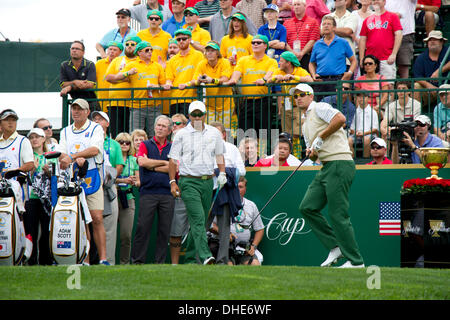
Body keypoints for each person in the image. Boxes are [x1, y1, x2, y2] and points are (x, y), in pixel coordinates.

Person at [292, 83, 365, 268]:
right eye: (296, 95)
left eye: (303, 94)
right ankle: (335, 247)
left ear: (311, 95)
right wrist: (312, 152)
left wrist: (321, 138)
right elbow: (315, 152)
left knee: (338, 214)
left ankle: (356, 262)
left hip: (340, 163)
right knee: (307, 207)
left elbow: (340, 119)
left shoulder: (320, 107)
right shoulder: (304, 123)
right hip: (325, 167)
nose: (299, 97)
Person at [168, 100, 227, 265]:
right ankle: (205, 255)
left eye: (200, 114)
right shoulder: (180, 134)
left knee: (199, 221)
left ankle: (190, 260)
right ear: (189, 116)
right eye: (194, 114)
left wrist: (222, 172)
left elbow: (219, 155)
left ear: (205, 115)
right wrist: (173, 182)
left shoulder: (214, 133)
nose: (197, 117)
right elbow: (173, 161)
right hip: (188, 181)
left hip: (208, 182)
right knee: (198, 218)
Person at [57, 98, 109, 265]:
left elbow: (95, 149)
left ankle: (102, 259)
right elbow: (61, 152)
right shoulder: (65, 131)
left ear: (87, 112)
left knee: (96, 217)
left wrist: (73, 157)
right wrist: (66, 158)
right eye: (74, 109)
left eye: (80, 109)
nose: (76, 112)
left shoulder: (95, 128)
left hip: (92, 175)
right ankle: (84, 259)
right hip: (72, 179)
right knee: (81, 219)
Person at [132, 115, 175, 264]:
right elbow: (142, 162)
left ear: (169, 130)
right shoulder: (145, 144)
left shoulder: (172, 147)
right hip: (148, 192)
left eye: (164, 126)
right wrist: (165, 163)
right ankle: (137, 262)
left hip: (167, 193)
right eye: (158, 125)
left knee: (164, 231)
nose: (160, 128)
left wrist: (153, 165)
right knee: (142, 229)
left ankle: (160, 263)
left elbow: (175, 169)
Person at [224, 34, 278, 135]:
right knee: (244, 133)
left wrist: (264, 80)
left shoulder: (271, 61)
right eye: (253, 42)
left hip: (263, 102)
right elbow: (237, 72)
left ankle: (262, 151)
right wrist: (233, 80)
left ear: (265, 45)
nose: (255, 44)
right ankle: (245, 151)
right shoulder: (243, 60)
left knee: (263, 134)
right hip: (246, 102)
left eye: (258, 42)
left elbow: (270, 73)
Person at [108, 41, 166, 134]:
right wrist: (128, 73)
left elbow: (164, 85)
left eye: (151, 50)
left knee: (154, 135)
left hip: (155, 105)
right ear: (139, 52)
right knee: (135, 135)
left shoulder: (157, 66)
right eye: (147, 50)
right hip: (137, 106)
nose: (150, 52)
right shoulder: (132, 65)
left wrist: (156, 86)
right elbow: (116, 77)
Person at [208, 121, 246, 264]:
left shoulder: (232, 148)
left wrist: (222, 172)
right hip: (207, 190)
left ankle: (222, 260)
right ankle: (198, 258)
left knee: (224, 228)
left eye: (218, 133)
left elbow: (242, 171)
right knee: (203, 224)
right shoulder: (204, 148)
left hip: (225, 190)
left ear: (223, 134)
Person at [92, 111, 124, 265]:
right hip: (91, 187)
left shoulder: (114, 144)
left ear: (107, 123)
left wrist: (108, 180)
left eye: (101, 119)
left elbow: (119, 166)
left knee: (110, 227)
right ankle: (89, 261)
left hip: (109, 188)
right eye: (95, 119)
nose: (97, 121)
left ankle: (108, 262)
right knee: (91, 224)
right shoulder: (89, 141)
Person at [271, 51, 313, 158]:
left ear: (288, 63)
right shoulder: (279, 71)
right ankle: (289, 158)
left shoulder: (299, 71)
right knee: (287, 135)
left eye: (281, 61)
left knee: (296, 134)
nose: (279, 62)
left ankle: (297, 157)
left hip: (298, 107)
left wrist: (294, 78)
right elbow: (269, 80)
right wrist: (277, 78)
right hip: (286, 107)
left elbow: (310, 79)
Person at [190, 41, 235, 131]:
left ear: (217, 53)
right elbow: (193, 81)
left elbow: (225, 78)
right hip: (210, 105)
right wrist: (198, 81)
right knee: (210, 131)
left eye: (212, 50)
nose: (209, 53)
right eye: (207, 51)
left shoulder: (225, 62)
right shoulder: (202, 64)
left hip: (225, 104)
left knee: (225, 131)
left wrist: (212, 80)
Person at [24, 128, 54, 265]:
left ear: (43, 139)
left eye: (37, 137)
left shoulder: (51, 156)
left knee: (47, 232)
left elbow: (55, 178)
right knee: (31, 231)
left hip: (46, 200)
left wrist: (49, 172)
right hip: (31, 199)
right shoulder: (26, 157)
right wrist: (33, 170)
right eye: (32, 137)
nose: (34, 140)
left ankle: (46, 261)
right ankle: (31, 260)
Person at [309, 15, 357, 98]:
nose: (326, 26)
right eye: (324, 24)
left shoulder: (343, 42)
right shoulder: (317, 44)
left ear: (334, 27)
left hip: (338, 80)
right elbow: (311, 63)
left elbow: (353, 60)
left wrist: (349, 73)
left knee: (337, 108)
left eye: (329, 24)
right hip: (321, 81)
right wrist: (313, 75)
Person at [358, 0, 403, 82]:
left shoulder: (392, 16)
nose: (376, 2)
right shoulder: (367, 20)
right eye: (374, 0)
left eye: (378, 0)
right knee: (371, 88)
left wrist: (394, 54)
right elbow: (362, 39)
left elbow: (399, 35)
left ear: (384, 2)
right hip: (371, 60)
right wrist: (362, 58)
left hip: (386, 58)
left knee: (388, 87)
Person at [105, 35, 141, 135]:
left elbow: (135, 79)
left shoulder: (140, 61)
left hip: (133, 105)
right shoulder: (117, 60)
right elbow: (108, 77)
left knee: (131, 135)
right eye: (127, 44)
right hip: (115, 104)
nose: (129, 46)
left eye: (132, 44)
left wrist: (117, 78)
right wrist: (125, 77)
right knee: (117, 135)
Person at [164, 29, 205, 116]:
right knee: (175, 127)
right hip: (175, 99)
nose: (181, 41)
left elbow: (199, 76)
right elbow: (169, 78)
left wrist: (188, 84)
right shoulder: (173, 60)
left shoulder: (198, 55)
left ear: (190, 40)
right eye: (178, 39)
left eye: (184, 38)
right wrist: (168, 83)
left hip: (192, 99)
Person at [115, 132, 140, 265]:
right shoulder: (112, 159)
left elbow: (138, 181)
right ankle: (108, 261)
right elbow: (108, 178)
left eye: (127, 142)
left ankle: (124, 263)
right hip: (112, 196)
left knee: (126, 235)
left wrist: (134, 181)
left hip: (128, 197)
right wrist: (122, 180)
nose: (124, 144)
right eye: (121, 142)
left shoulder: (133, 160)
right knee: (110, 234)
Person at [168, 114, 189, 264]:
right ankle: (174, 264)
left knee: (198, 229)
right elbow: (168, 165)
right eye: (172, 124)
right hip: (175, 188)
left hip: (193, 185)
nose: (173, 126)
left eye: (177, 123)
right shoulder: (169, 144)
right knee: (176, 230)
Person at [228, 176, 264, 265]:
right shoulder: (223, 204)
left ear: (245, 189)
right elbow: (211, 225)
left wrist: (253, 246)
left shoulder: (251, 205)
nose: (237, 190)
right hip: (226, 247)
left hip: (245, 248)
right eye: (235, 187)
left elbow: (260, 229)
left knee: (255, 264)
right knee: (228, 267)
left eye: (240, 187)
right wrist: (224, 234)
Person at [413, 30, 450, 109]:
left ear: (442, 42)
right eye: (430, 40)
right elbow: (417, 76)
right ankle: (417, 115)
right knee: (416, 86)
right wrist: (428, 85)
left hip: (447, 89)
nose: (432, 42)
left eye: (435, 39)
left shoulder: (448, 52)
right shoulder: (421, 57)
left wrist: (439, 71)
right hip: (429, 90)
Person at [59, 41, 98, 111]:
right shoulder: (64, 65)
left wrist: (70, 87)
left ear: (83, 52)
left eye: (77, 49)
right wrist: (75, 82)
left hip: (91, 102)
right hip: (75, 103)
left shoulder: (90, 64)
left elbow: (90, 84)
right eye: (72, 48)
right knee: (75, 122)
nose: (74, 50)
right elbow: (63, 84)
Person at [284, 0, 321, 70]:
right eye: (294, 5)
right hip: (290, 57)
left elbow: (313, 40)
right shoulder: (286, 23)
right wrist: (293, 53)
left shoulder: (313, 22)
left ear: (305, 6)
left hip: (307, 57)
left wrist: (302, 53)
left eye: (298, 4)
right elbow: (284, 41)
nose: (296, 7)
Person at [385, 0, 417, 79]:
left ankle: (403, 87)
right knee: (385, 65)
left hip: (405, 34)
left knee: (403, 64)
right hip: (386, 34)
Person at [348, 92, 380, 158]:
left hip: (369, 134)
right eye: (359, 97)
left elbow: (375, 129)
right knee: (349, 140)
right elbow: (351, 128)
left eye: (364, 97)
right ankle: (352, 161)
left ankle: (366, 161)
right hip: (356, 134)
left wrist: (364, 133)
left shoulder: (373, 112)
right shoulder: (355, 112)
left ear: (368, 98)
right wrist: (356, 133)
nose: (361, 99)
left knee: (366, 139)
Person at [95, 41, 124, 113]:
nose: (112, 52)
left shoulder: (123, 64)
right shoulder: (99, 63)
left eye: (115, 50)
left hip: (117, 103)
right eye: (110, 49)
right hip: (102, 102)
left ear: (120, 52)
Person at [350, 0, 373, 78]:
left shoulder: (374, 15)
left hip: (370, 49)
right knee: (356, 76)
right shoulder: (354, 14)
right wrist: (359, 41)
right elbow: (351, 31)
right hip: (355, 48)